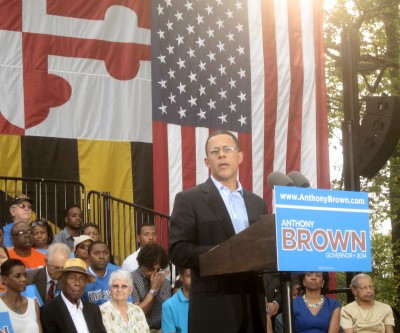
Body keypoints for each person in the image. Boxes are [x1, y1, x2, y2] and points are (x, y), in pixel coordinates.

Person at [169, 130, 268, 333]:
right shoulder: (189, 199)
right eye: (215, 151)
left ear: (239, 156)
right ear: (207, 161)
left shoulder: (258, 204)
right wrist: (224, 252)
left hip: (253, 304)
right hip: (214, 306)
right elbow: (178, 250)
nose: (221, 154)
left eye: (227, 149)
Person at [40, 257, 107, 332]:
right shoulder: (49, 310)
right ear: (62, 282)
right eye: (72, 278)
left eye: (82, 279)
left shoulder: (93, 310)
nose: (77, 283)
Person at [131, 243, 171, 332]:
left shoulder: (164, 281)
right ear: (142, 264)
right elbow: (137, 314)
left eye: (158, 269)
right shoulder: (131, 280)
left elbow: (169, 311)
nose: (155, 273)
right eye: (151, 269)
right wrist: (154, 290)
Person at [0, 259, 42, 332]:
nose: (24, 279)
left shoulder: (33, 303)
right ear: (4, 279)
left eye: (25, 275)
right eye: (17, 276)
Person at [83, 241, 120, 306]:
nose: (101, 256)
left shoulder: (118, 274)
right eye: (96, 253)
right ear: (88, 256)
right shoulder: (83, 279)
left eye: (105, 253)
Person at [162, 267, 190, 333]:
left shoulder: (206, 300)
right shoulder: (169, 305)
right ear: (181, 277)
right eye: (189, 276)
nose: (194, 280)